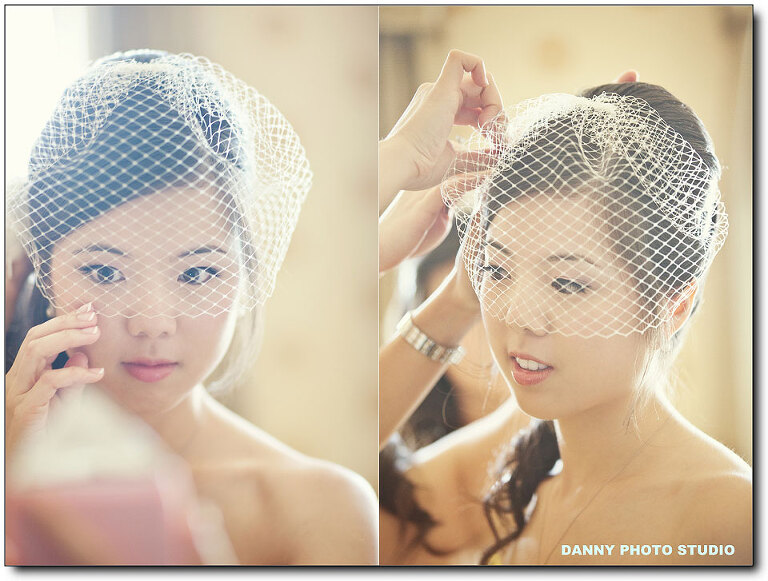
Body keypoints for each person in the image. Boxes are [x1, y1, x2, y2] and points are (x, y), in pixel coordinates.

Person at [5, 49, 377, 565]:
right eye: (105, 272)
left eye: (196, 273)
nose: (153, 323)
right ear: (44, 272)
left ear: (246, 270)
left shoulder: (321, 508)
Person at [378, 52, 751, 565]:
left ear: (674, 306)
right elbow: (330, 488)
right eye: (498, 270)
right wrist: (395, 184)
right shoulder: (499, 480)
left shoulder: (730, 515)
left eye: (569, 283)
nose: (520, 316)